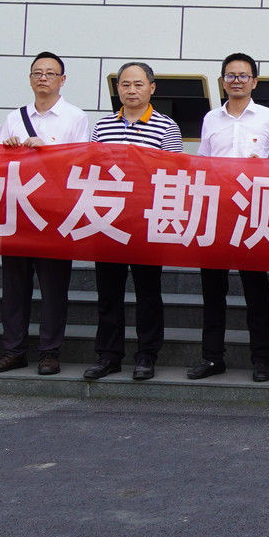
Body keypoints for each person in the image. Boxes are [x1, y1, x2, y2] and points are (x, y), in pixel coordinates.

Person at [0, 51, 90, 377]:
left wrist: (47, 150)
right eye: (37, 73)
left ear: (62, 79)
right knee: (14, 287)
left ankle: (49, 352)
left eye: (50, 73)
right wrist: (9, 150)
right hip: (18, 211)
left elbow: (81, 164)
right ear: (30, 79)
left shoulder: (75, 117)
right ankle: (13, 351)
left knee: (53, 287)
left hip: (56, 213)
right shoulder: (15, 117)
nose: (43, 78)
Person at [190, 53, 269, 383]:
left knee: (256, 290)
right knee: (212, 291)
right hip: (217, 213)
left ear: (254, 82)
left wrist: (264, 168)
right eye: (230, 76)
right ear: (222, 81)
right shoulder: (211, 119)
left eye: (243, 76)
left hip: (253, 213)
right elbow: (203, 163)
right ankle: (212, 357)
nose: (236, 81)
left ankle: (262, 359)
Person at [85, 61, 181, 382]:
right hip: (108, 220)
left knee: (148, 292)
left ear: (151, 88)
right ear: (118, 89)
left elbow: (175, 173)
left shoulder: (167, 127)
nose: (131, 90)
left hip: (146, 221)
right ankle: (108, 355)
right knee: (108, 293)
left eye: (138, 84)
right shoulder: (102, 127)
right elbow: (92, 170)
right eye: (125, 84)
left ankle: (146, 356)